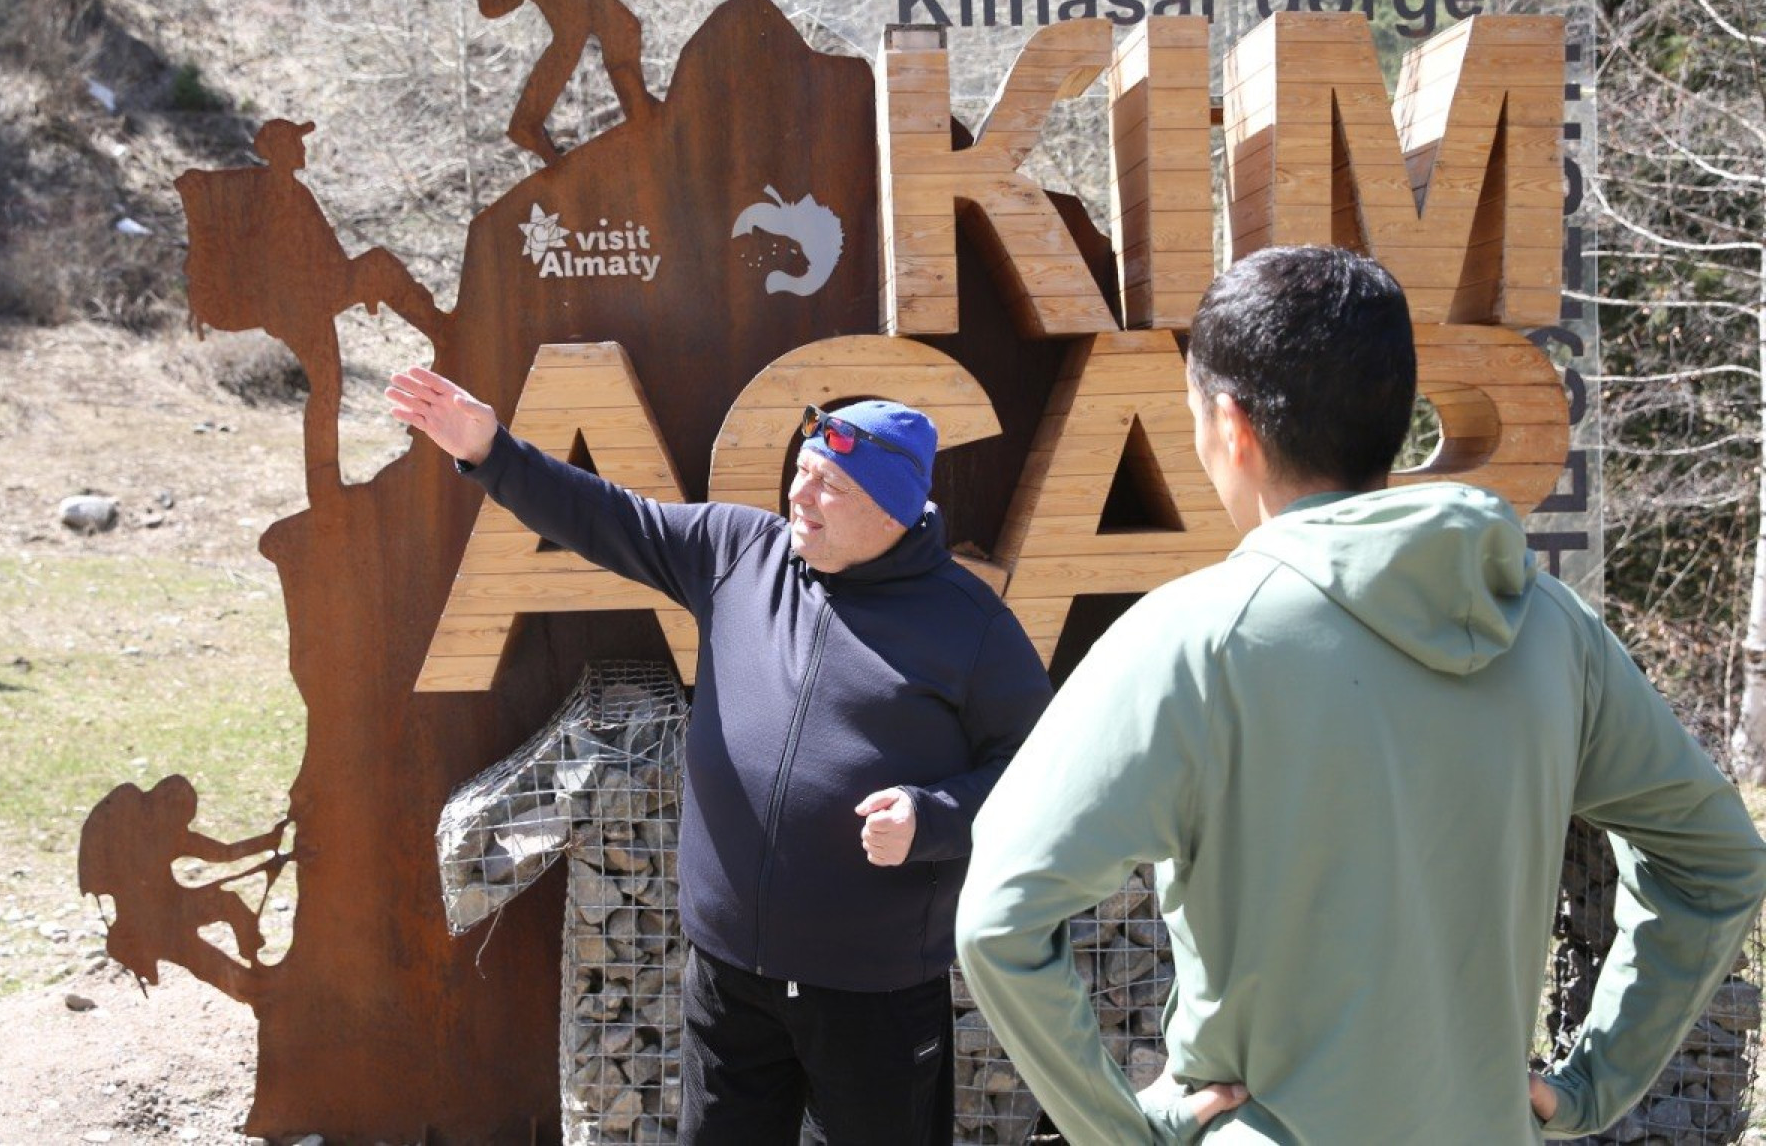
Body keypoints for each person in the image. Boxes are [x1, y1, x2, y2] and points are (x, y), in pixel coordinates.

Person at [955, 244, 1766, 1144]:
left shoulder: (1194, 640)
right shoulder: (1552, 628)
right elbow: (1717, 858)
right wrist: (1591, 1083)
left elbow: (999, 918)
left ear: (1230, 423)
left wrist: (1125, 1131)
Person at [386, 365, 1052, 1145]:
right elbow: (608, 518)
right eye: (801, 471)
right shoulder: (740, 552)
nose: (800, 495)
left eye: (830, 485)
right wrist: (491, 451)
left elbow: (1041, 776)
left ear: (892, 511)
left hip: (873, 990)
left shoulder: (971, 626)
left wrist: (931, 818)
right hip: (729, 977)